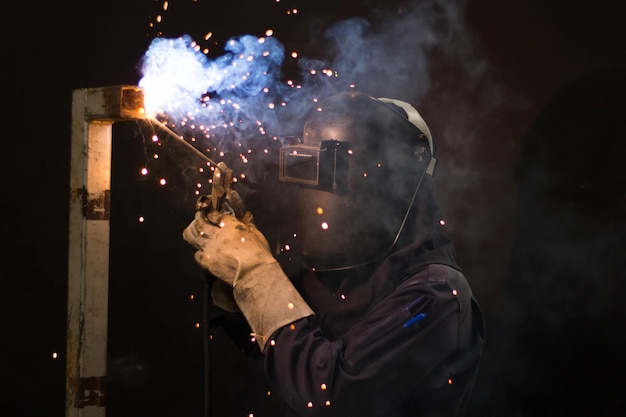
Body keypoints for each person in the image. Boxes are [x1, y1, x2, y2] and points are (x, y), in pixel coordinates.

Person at [183, 91, 485, 417]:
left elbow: (329, 394)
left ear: (389, 182)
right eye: (309, 168)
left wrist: (256, 275)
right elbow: (284, 351)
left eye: (331, 172)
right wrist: (237, 293)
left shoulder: (436, 296)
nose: (317, 190)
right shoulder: (331, 278)